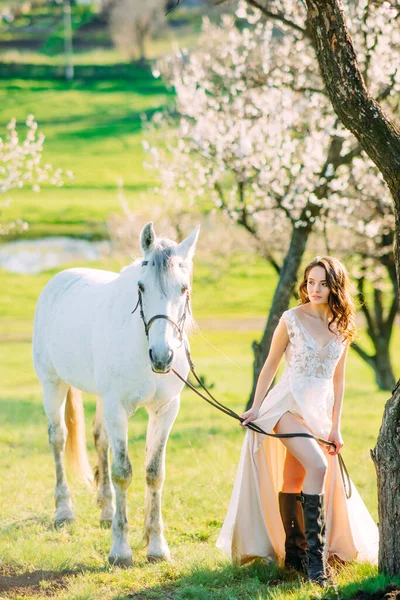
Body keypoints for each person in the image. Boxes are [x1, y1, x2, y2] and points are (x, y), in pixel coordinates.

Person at [216, 256, 379, 585]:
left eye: (322, 283)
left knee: (294, 479)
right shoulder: (291, 319)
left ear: (335, 286)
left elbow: (339, 381)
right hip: (285, 407)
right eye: (310, 283)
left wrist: (335, 426)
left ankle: (293, 553)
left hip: (316, 412)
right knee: (317, 467)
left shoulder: (342, 326)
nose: (314, 289)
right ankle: (314, 561)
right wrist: (255, 407)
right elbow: (270, 365)